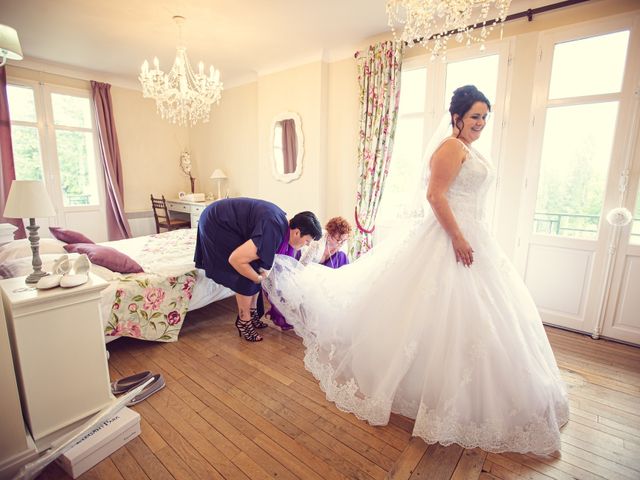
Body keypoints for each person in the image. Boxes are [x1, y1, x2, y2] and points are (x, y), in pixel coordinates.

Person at [263, 85, 569, 454]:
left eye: (485, 117)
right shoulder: (451, 147)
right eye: (475, 116)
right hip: (450, 236)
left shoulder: (469, 149)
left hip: (474, 236)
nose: (481, 123)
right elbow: (436, 196)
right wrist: (457, 237)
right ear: (456, 116)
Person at [194, 197, 322, 342]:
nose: (305, 245)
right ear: (297, 232)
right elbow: (235, 259)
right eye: (307, 241)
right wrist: (258, 279)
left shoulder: (281, 228)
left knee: (256, 265)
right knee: (246, 273)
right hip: (216, 223)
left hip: (223, 218)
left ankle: (253, 312)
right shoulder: (274, 229)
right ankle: (244, 321)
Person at [267, 216, 352, 330]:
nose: (341, 243)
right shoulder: (316, 245)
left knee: (342, 257)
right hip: (311, 274)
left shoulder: (341, 247)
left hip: (329, 274)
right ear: (330, 235)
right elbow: (302, 265)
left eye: (344, 240)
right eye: (338, 240)